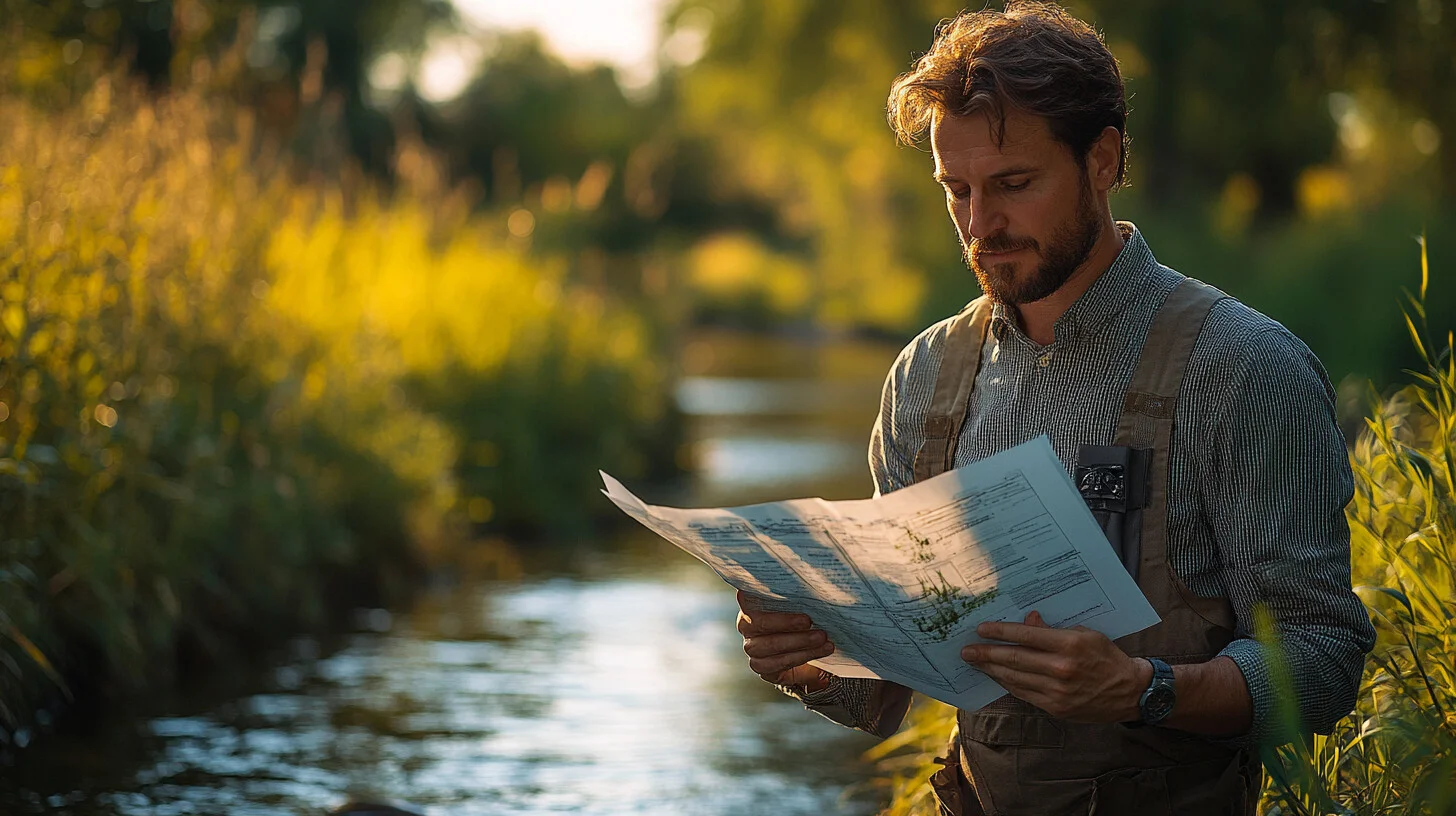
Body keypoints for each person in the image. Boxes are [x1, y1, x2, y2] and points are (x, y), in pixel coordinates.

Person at [733, 3, 1376, 814]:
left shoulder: (1243, 368)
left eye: (1013, 185)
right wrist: (809, 661)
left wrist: (1144, 688)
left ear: (1102, 160)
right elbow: (885, 690)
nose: (979, 224)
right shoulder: (924, 377)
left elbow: (1322, 664)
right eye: (956, 190)